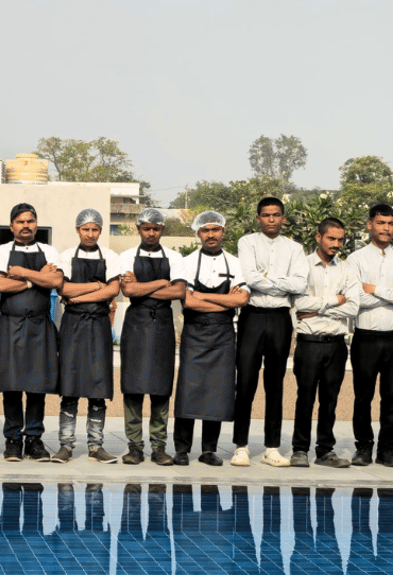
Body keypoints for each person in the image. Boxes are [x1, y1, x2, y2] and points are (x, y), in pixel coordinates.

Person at [234, 197, 310, 467]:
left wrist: (266, 280)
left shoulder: (294, 248)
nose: (271, 220)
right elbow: (249, 277)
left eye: (276, 215)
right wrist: (281, 283)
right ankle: (240, 446)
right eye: (266, 215)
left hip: (280, 318)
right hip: (252, 316)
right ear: (258, 218)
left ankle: (272, 447)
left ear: (283, 218)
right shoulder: (247, 242)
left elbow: (300, 284)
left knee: (275, 385)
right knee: (245, 382)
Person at [171, 211, 247, 466]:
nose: (211, 234)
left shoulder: (235, 263)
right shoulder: (186, 262)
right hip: (194, 332)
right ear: (198, 233)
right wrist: (225, 302)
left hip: (223, 334)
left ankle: (208, 450)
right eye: (206, 230)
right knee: (188, 390)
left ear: (223, 232)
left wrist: (204, 298)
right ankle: (182, 449)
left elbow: (242, 299)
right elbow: (188, 302)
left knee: (217, 391)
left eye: (215, 229)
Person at [0, 203, 63, 461]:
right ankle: (12, 439)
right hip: (11, 324)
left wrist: (20, 274)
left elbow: (55, 281)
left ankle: (34, 438)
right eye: (20, 222)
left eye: (30, 221)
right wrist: (34, 279)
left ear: (36, 224)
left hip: (40, 326)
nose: (25, 226)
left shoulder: (49, 250)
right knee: (11, 384)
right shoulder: (1, 251)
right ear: (12, 226)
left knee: (37, 385)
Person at [346, 203, 393, 467]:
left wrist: (376, 289)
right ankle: (363, 448)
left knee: (392, 396)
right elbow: (357, 298)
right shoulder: (356, 260)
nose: (386, 228)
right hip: (366, 337)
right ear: (370, 225)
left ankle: (387, 449)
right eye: (381, 223)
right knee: (363, 396)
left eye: (390, 224)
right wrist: (392, 291)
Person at [52, 208, 121, 464]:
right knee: (69, 387)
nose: (90, 234)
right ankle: (66, 445)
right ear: (77, 230)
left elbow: (113, 289)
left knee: (98, 386)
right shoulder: (66, 256)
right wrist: (95, 286)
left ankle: (96, 446)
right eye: (85, 229)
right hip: (73, 326)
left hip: (99, 325)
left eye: (95, 229)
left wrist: (78, 297)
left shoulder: (111, 257)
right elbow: (63, 287)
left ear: (100, 231)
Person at [291, 217, 361, 468]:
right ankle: (299, 450)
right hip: (309, 342)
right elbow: (300, 304)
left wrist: (319, 308)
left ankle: (325, 451)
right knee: (305, 398)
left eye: (340, 239)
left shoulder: (347, 269)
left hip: (336, 344)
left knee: (330, 400)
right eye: (331, 238)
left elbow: (353, 307)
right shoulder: (302, 266)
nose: (336, 244)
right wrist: (335, 300)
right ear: (318, 237)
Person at [115, 208, 183, 465]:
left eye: (156, 228)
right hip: (136, 325)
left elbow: (178, 292)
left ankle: (159, 447)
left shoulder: (175, 256)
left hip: (163, 325)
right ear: (138, 229)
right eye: (146, 228)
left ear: (162, 230)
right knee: (132, 388)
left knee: (161, 388)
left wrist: (145, 288)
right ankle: (134, 446)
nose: (151, 233)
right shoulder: (126, 256)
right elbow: (129, 290)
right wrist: (160, 282)